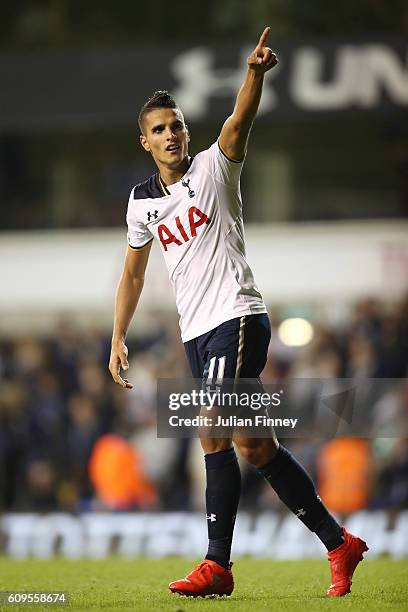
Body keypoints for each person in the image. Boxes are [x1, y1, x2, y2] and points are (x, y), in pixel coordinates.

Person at [108, 27, 368, 598]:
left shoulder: (213, 168)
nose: (171, 134)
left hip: (238, 317)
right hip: (197, 334)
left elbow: (238, 122)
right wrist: (117, 335)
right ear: (145, 143)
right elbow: (132, 272)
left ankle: (217, 565)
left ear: (186, 129)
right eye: (159, 129)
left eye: (176, 124)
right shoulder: (142, 203)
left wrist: (255, 73)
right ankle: (339, 543)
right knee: (254, 444)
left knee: (210, 429)